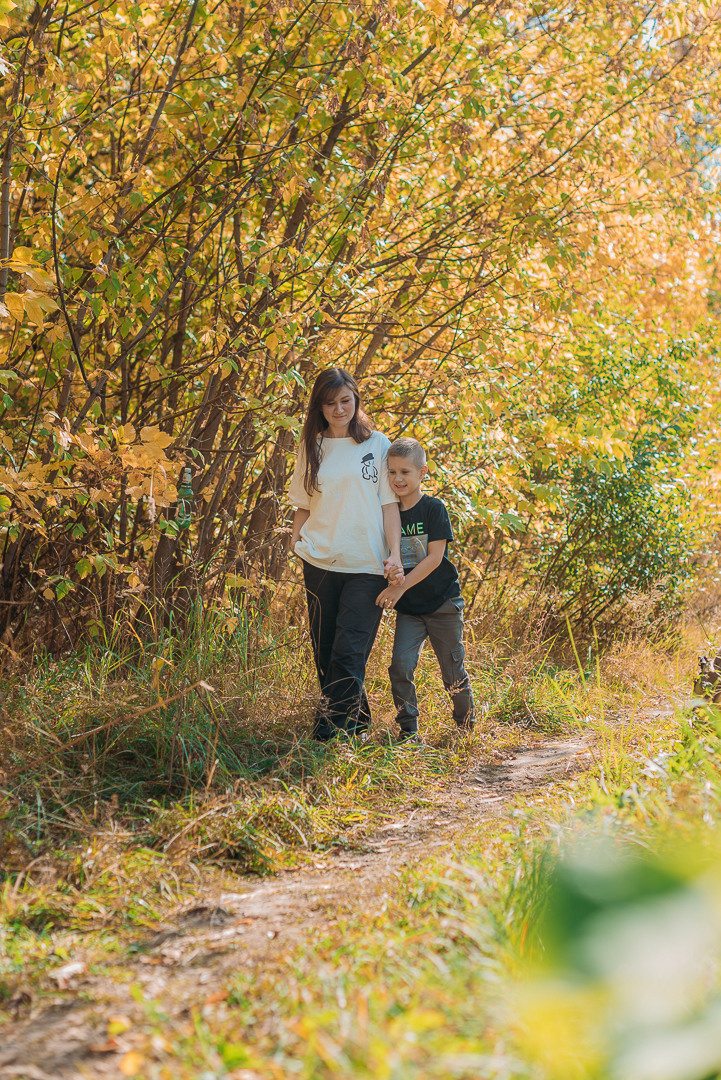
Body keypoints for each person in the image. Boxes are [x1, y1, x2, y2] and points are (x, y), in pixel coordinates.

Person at [288, 368, 404, 742]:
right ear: (319, 407)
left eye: (345, 401)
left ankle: (328, 732)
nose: (339, 409)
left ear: (355, 401)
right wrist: (296, 543)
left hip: (367, 564)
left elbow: (389, 506)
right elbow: (302, 504)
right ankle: (356, 723)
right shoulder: (311, 447)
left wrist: (395, 556)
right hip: (319, 561)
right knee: (325, 651)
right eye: (330, 403)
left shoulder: (377, 444)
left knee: (349, 651)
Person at [375, 437, 474, 744]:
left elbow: (434, 558)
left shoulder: (433, 508)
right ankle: (408, 731)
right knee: (400, 667)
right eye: (391, 472)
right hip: (411, 611)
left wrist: (399, 590)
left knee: (452, 670)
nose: (397, 479)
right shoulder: (385, 513)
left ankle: (465, 728)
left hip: (443, 604)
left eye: (405, 472)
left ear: (423, 472)